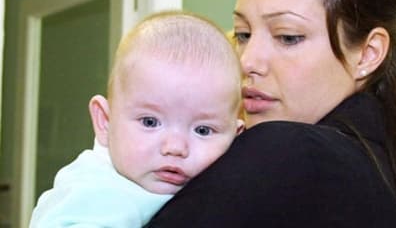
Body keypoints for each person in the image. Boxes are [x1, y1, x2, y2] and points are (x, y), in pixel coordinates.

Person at [145, 0, 396, 228]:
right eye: (243, 33)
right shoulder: (387, 177)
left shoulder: (292, 153)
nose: (247, 61)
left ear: (368, 53)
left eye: (288, 36)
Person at [29, 11, 245, 227]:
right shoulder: (95, 194)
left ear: (236, 139)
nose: (176, 147)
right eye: (150, 122)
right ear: (105, 121)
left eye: (203, 130)